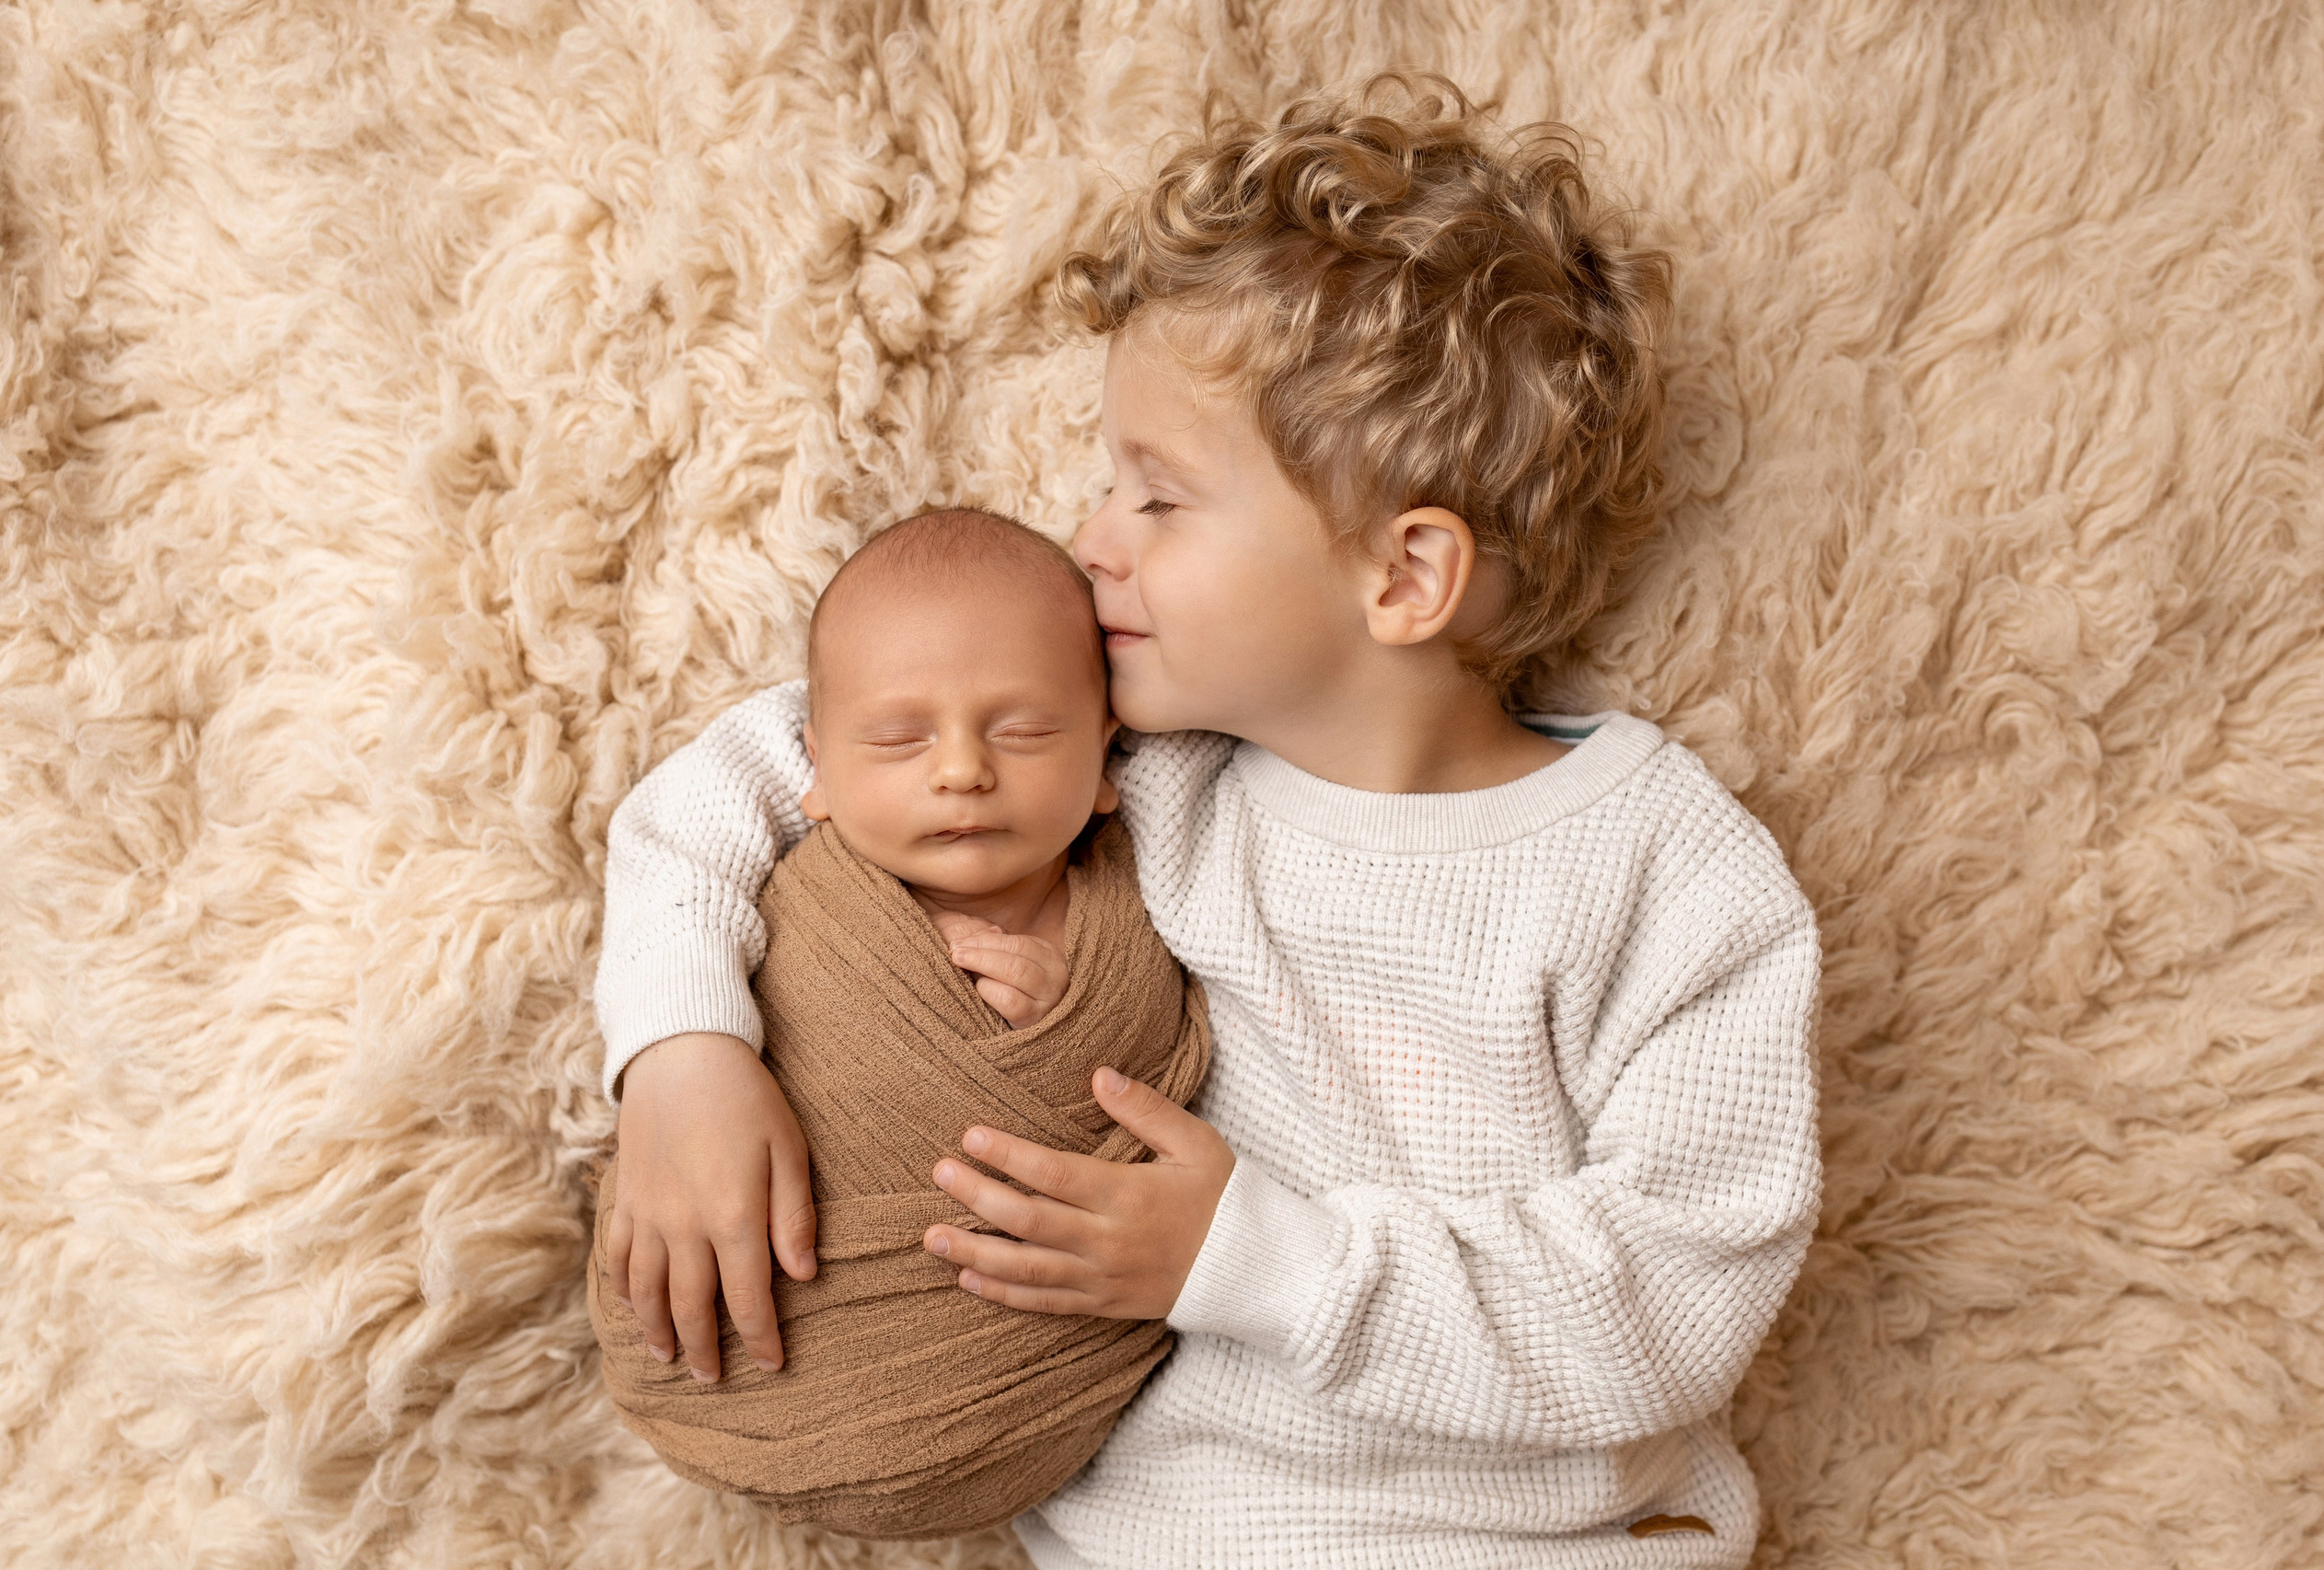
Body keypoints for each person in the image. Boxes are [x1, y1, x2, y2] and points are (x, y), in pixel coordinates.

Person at [595, 75, 1822, 1569]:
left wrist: (1248, 1259)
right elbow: (739, 777)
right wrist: (681, 1051)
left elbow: (1672, 1302)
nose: (1090, 543)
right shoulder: (1124, 763)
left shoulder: (1664, 875)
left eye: (1157, 500)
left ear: (1402, 578)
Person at [587, 509, 1209, 1539]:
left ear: (1110, 756)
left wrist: (1083, 1007)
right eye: (897, 738)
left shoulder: (1158, 874)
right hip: (732, 1367)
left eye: (1022, 730)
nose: (962, 768)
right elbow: (680, 833)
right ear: (816, 772)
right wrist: (684, 1049)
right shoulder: (782, 878)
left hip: (1026, 1400)